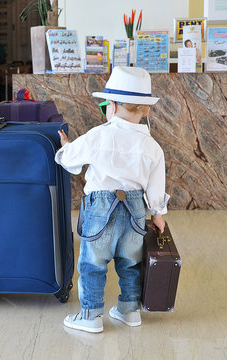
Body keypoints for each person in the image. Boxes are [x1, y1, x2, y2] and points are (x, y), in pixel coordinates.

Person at [55, 66, 170, 333]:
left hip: (100, 209)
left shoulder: (99, 135)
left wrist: (65, 147)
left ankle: (91, 317)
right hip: (136, 212)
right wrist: (158, 215)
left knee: (92, 263)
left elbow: (71, 160)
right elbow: (156, 186)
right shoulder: (153, 147)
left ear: (112, 106)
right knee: (130, 263)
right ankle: (130, 312)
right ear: (146, 110)